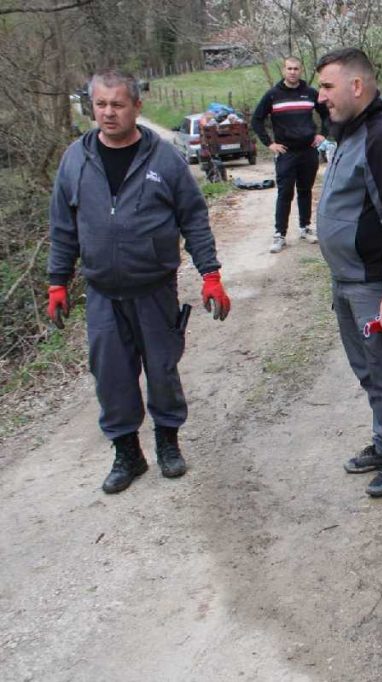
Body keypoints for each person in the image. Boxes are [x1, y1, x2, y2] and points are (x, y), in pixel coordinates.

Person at [46, 68, 232, 494]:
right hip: (102, 294)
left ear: (136, 106)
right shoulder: (75, 159)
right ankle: (127, 454)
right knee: (110, 376)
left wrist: (211, 276)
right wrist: (57, 282)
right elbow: (62, 228)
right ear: (91, 106)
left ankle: (168, 443)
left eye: (118, 104)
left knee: (162, 371)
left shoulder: (164, 158)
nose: (108, 113)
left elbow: (194, 219)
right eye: (100, 104)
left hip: (155, 290)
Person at [315, 47, 382, 497]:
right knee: (368, 370)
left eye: (327, 86)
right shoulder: (350, 131)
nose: (320, 96)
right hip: (348, 280)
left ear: (356, 86)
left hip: (376, 285)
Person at [252, 56, 330, 253]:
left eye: (296, 68)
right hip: (286, 152)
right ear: (284, 71)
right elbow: (256, 119)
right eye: (289, 68)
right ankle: (280, 234)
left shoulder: (311, 93)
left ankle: (305, 228)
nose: (293, 72)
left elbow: (327, 114)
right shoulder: (273, 95)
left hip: (308, 151)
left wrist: (322, 134)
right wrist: (269, 144)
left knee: (305, 191)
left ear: (301, 70)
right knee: (285, 193)